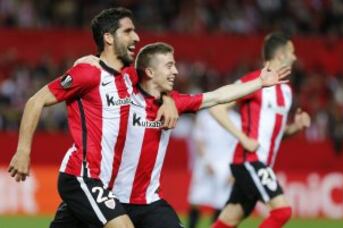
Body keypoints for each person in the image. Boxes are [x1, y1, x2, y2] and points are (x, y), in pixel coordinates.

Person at [76, 41, 290, 228]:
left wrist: (259, 83)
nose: (176, 71)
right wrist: (88, 61)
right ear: (150, 72)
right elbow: (101, 73)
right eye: (169, 65)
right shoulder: (121, 94)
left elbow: (216, 97)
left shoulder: (175, 102)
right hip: (111, 199)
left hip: (149, 202)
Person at [7, 7, 179, 228]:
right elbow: (35, 101)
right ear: (108, 37)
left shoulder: (129, 76)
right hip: (81, 175)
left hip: (105, 182)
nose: (136, 37)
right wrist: (23, 151)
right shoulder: (87, 73)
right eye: (128, 31)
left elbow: (158, 84)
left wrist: (168, 100)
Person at [210, 33, 311, 228]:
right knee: (282, 212)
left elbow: (276, 135)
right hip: (249, 160)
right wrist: (243, 138)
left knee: (227, 221)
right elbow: (216, 108)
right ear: (281, 55)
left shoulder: (286, 91)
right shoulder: (254, 81)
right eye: (292, 52)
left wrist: (295, 128)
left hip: (262, 164)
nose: (295, 57)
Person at [187, 109, 240, 228]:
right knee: (196, 200)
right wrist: (206, 160)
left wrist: (234, 170)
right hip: (205, 165)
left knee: (221, 203)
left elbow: (238, 145)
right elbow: (198, 139)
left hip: (226, 167)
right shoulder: (204, 115)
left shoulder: (237, 119)